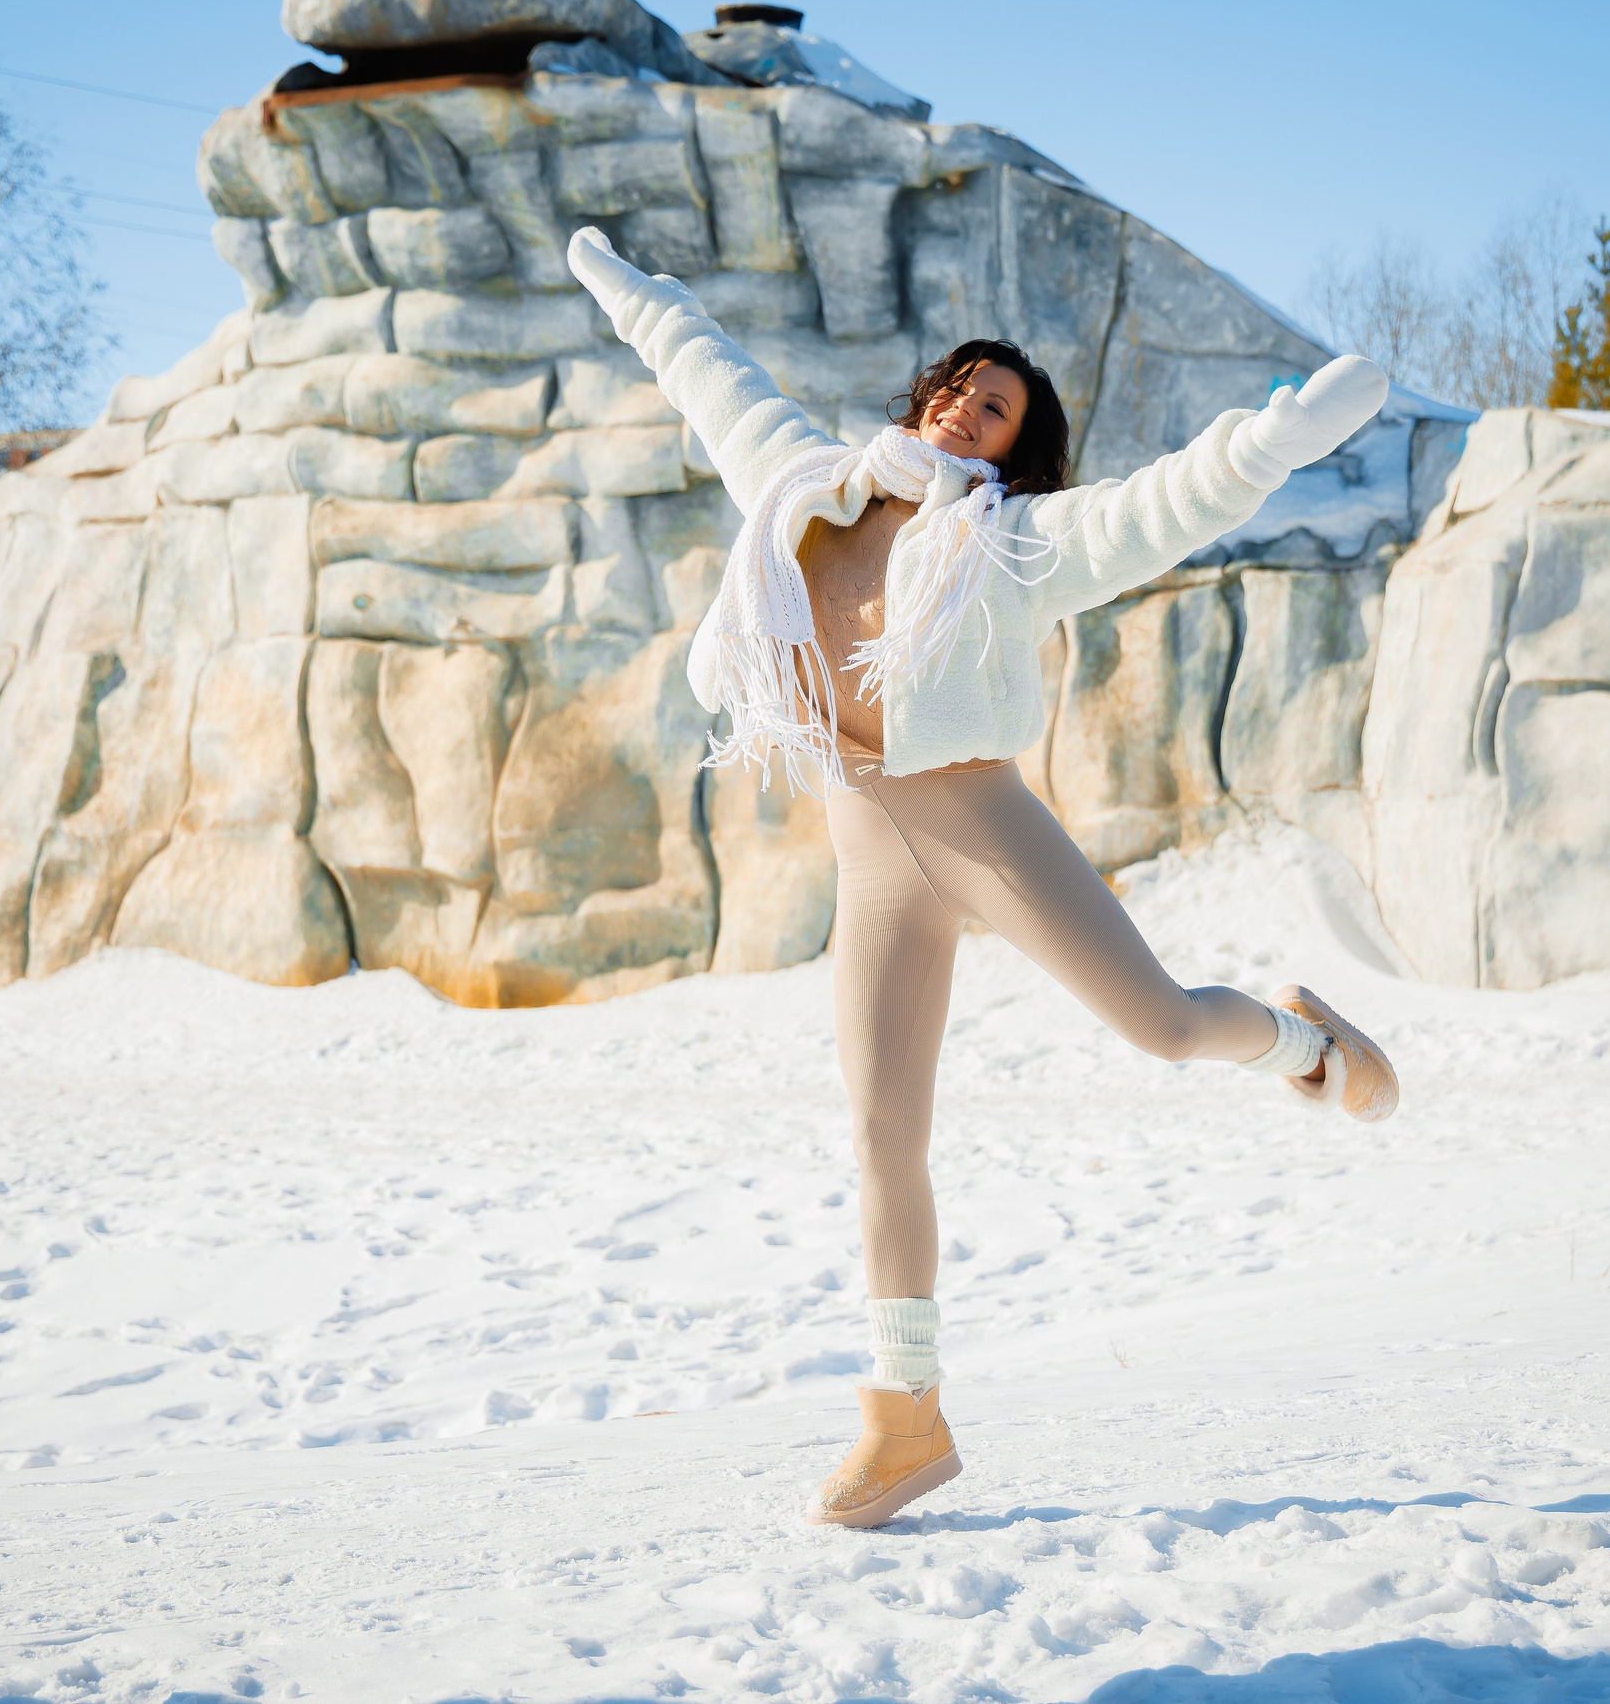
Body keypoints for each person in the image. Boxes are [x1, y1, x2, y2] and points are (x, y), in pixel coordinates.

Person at [565, 227, 1402, 1529]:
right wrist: (637, 295)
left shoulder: (1011, 550)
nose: (967, 406)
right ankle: (906, 1422)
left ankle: (1303, 1042)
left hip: (983, 832)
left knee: (1171, 1026)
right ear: (925, 399)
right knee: (881, 1134)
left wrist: (1279, 439)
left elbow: (1166, 505)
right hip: (873, 863)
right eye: (958, 385)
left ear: (1015, 449)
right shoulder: (802, 490)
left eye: (997, 407)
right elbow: (709, 372)